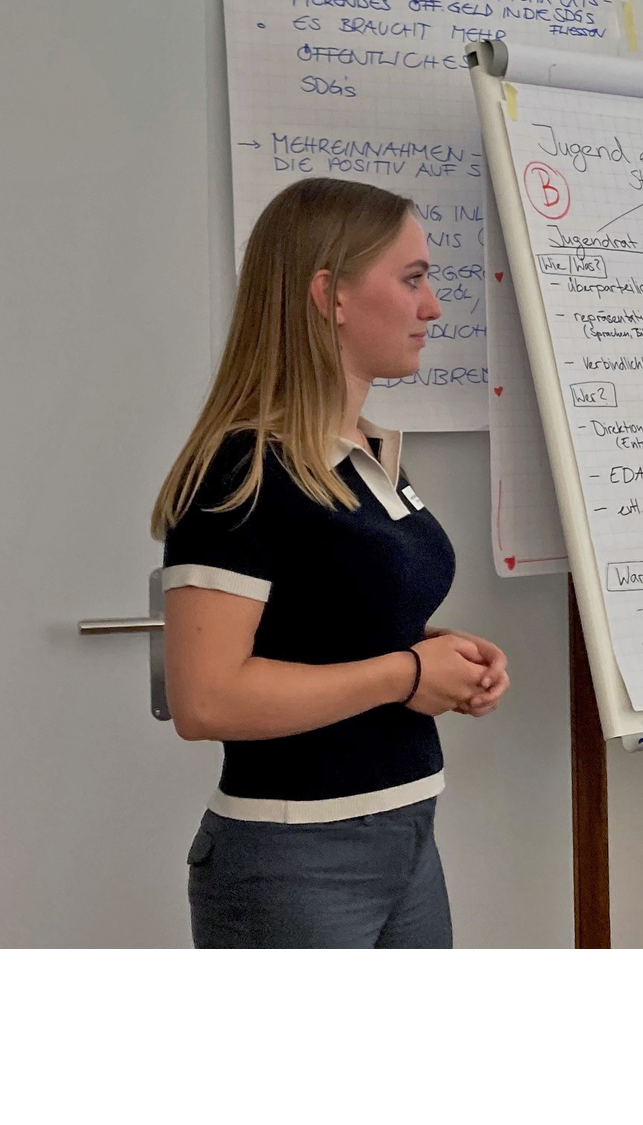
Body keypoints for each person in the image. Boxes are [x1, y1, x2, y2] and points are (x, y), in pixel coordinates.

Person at [151, 178, 510, 948]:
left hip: (408, 832)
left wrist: (445, 656)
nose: (433, 307)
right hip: (294, 860)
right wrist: (409, 674)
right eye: (412, 279)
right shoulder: (240, 470)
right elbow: (205, 698)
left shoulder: (361, 455)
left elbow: (332, 623)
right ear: (331, 295)